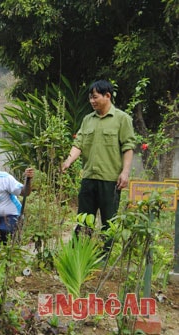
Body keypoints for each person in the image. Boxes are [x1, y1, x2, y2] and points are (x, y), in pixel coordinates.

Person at [61, 79, 136, 250]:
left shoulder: (122, 119)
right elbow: (78, 143)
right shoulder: (88, 120)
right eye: (90, 98)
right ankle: (80, 253)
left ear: (107, 96)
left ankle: (104, 256)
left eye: (95, 97)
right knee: (83, 219)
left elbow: (128, 147)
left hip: (110, 180)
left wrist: (125, 173)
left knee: (109, 222)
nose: (92, 101)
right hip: (88, 178)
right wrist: (68, 161)